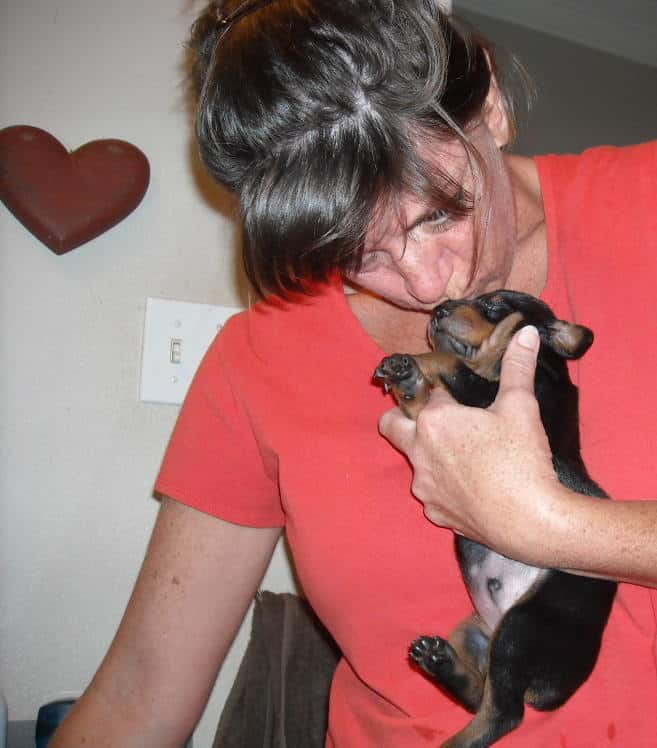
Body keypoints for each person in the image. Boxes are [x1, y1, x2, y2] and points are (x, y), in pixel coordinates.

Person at [52, 1, 657, 746]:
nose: (427, 284)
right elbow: (143, 690)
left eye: (440, 212)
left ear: (491, 106)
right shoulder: (256, 358)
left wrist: (550, 523)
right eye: (353, 250)